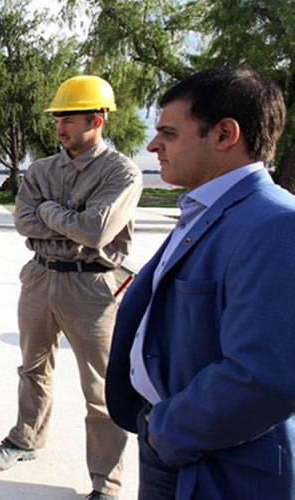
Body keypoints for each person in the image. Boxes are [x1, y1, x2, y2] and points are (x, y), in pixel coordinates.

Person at [106, 68, 295, 498]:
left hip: (214, 459)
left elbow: (263, 377)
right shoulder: (209, 207)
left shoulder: (277, 224)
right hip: (176, 441)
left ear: (225, 134)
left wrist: (165, 429)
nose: (153, 146)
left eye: (169, 134)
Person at [0, 76, 142, 500]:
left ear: (98, 118)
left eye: (68, 118)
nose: (59, 128)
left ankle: (105, 485)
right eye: (57, 119)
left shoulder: (121, 171)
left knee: (101, 389)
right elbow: (23, 222)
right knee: (33, 367)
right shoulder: (41, 169)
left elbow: (97, 231)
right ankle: (26, 438)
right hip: (39, 277)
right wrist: (68, 216)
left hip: (91, 287)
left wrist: (50, 211)